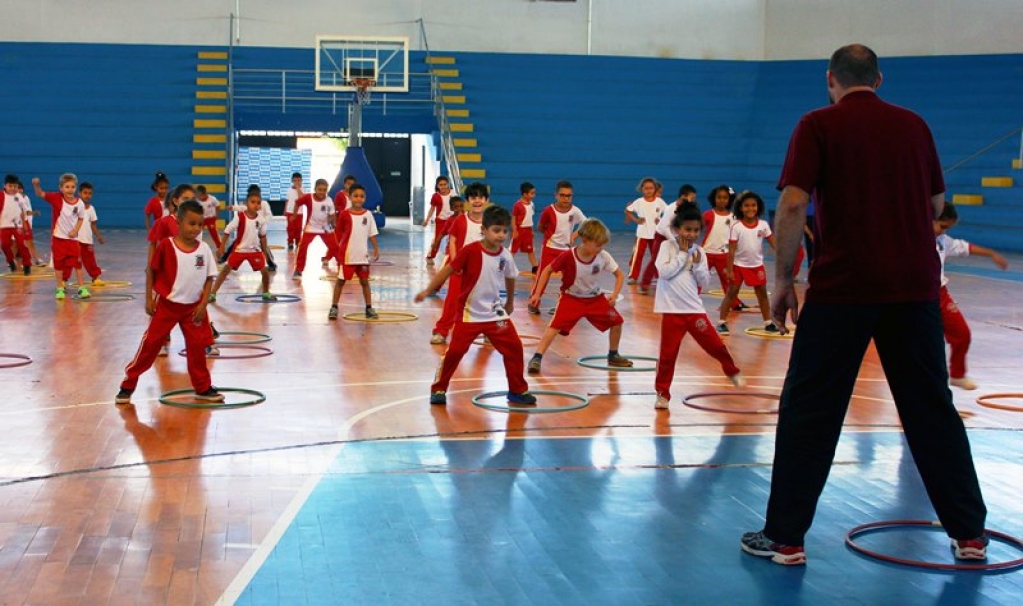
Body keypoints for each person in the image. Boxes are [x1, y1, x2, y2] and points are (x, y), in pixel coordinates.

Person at [741, 44, 989, 566]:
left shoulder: (817, 123)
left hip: (842, 291)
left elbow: (791, 202)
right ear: (880, 79)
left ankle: (785, 537)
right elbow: (938, 208)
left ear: (830, 79)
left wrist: (784, 279)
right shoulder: (915, 126)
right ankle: (969, 534)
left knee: (811, 410)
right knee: (931, 410)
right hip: (914, 291)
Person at [414, 203, 536, 407]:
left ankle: (517, 390)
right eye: (496, 231)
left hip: (495, 313)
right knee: (455, 352)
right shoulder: (470, 251)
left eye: (504, 231)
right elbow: (447, 271)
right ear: (484, 230)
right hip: (469, 314)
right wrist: (428, 290)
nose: (501, 235)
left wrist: (510, 302)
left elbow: (511, 277)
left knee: (514, 348)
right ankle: (439, 388)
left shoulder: (505, 255)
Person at [116, 200, 223, 405]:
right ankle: (128, 383)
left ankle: (202, 387)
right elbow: (151, 271)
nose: (196, 228)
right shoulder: (166, 246)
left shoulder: (204, 250)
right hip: (167, 307)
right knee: (150, 345)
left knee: (197, 349)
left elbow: (210, 278)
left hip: (193, 309)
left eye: (200, 224)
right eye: (191, 223)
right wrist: (148, 298)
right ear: (179, 222)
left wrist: (203, 305)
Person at [653, 201, 745, 410]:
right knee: (667, 356)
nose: (692, 234)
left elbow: (703, 281)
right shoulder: (667, 247)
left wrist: (695, 264)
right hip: (672, 312)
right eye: (687, 229)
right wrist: (683, 256)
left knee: (716, 346)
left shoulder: (700, 253)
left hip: (694, 311)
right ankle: (662, 394)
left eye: (696, 230)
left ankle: (732, 371)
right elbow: (664, 273)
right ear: (677, 229)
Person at [526, 218, 633, 373]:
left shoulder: (603, 256)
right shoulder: (568, 256)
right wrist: (537, 294)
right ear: (585, 240)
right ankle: (537, 357)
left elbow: (620, 275)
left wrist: (615, 295)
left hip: (595, 299)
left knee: (617, 322)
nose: (600, 248)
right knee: (553, 328)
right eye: (597, 245)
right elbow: (547, 270)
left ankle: (613, 354)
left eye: (602, 245)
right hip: (571, 299)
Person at [934, 202, 1008, 390]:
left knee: (962, 333)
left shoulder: (943, 240)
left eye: (947, 229)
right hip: (916, 297)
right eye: (942, 227)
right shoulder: (910, 238)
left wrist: (991, 253)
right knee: (927, 346)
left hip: (940, 294)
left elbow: (964, 247)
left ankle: (957, 375)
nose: (943, 232)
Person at [429, 183, 488, 344]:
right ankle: (441, 331)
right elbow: (453, 241)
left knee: (485, 302)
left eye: (480, 198)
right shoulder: (460, 220)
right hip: (460, 271)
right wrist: (456, 264)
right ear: (468, 200)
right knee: (452, 301)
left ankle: (489, 331)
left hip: (482, 272)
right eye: (473, 198)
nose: (477, 201)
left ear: (486, 200)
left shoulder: (489, 223)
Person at [717, 191, 777, 335]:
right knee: (732, 293)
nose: (750, 208)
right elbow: (731, 251)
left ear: (758, 207)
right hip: (738, 265)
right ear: (740, 208)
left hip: (756, 266)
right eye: (746, 206)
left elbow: (773, 243)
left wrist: (783, 256)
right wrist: (730, 270)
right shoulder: (736, 226)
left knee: (762, 294)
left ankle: (768, 322)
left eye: (753, 205)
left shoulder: (763, 225)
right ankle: (722, 322)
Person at [528, 180, 586, 314]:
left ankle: (563, 304)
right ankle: (534, 301)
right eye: (562, 195)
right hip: (550, 248)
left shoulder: (575, 211)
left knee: (569, 278)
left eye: (569, 196)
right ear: (556, 195)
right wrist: (551, 237)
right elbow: (541, 227)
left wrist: (574, 235)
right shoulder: (548, 210)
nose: (566, 198)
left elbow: (586, 223)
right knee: (543, 275)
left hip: (566, 250)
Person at [209, 190, 277, 303]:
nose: (256, 204)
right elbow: (227, 230)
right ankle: (212, 293)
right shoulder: (239, 217)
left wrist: (265, 253)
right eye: (253, 202)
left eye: (258, 202)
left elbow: (263, 237)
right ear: (246, 204)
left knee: (265, 271)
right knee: (225, 271)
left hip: (254, 251)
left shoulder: (261, 220)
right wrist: (221, 247)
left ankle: (266, 293)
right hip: (239, 250)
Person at [328, 184, 380, 320]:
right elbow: (338, 234)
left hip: (362, 256)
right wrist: (336, 252)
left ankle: (369, 308)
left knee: (365, 282)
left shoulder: (368, 215)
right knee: (340, 281)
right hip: (347, 256)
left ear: (365, 198)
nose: (359, 199)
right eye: (355, 196)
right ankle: (334, 307)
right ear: (350, 197)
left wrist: (376, 248)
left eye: (362, 196)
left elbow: (372, 233)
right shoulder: (345, 214)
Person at [32, 174, 87, 299]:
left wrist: (75, 230)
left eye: (72, 187)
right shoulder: (56, 198)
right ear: (61, 188)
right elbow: (40, 194)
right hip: (58, 239)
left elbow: (81, 218)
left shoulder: (79, 204)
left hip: (73, 239)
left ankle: (81, 288)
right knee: (59, 264)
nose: (70, 189)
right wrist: (36, 185)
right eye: (67, 187)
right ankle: (59, 288)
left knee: (77, 263)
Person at [640, 183, 696, 292]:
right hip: (661, 236)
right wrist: (675, 241)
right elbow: (665, 228)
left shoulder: (686, 210)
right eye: (692, 198)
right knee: (655, 259)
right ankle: (645, 283)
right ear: (683, 197)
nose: (693, 200)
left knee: (676, 259)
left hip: (673, 237)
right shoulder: (672, 208)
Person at [623, 177, 667, 289]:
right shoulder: (638, 202)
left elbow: (668, 212)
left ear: (655, 189)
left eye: (651, 188)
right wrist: (636, 220)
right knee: (637, 256)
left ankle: (659, 276)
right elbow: (628, 210)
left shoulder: (660, 202)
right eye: (646, 188)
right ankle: (633, 276)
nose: (649, 190)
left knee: (657, 256)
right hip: (642, 234)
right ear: (642, 189)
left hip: (656, 235)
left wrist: (661, 220)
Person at [292, 179, 337, 278]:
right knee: (303, 247)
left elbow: (332, 215)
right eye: (319, 189)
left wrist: (332, 224)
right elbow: (297, 203)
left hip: (325, 227)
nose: (322, 192)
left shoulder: (329, 201)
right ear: (315, 189)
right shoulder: (308, 197)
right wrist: (294, 215)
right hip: (311, 227)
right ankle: (298, 270)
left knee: (335, 248)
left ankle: (342, 266)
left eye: (324, 190)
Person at [1, 174, 32, 276]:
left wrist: (24, 223)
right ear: (5, 186)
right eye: (10, 186)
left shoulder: (19, 197)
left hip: (17, 226)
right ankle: (10, 261)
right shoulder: (1, 196)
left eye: (15, 186)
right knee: (5, 245)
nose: (13, 189)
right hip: (4, 226)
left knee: (22, 245)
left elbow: (23, 211)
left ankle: (27, 265)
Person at [77, 182, 106, 286]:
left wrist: (99, 236)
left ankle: (95, 277)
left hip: (87, 240)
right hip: (75, 240)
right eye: (85, 193)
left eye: (90, 193)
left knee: (90, 260)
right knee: (70, 261)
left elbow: (93, 225)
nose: (87, 195)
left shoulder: (91, 209)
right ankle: (63, 280)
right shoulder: (74, 207)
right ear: (79, 193)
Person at [423, 175, 453, 264]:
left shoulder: (453, 194)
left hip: (452, 221)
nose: (443, 186)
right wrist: (427, 220)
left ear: (448, 184)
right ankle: (430, 256)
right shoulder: (435, 196)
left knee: (453, 239)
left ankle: (451, 256)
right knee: (437, 239)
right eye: (441, 185)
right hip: (441, 221)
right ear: (437, 186)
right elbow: (432, 209)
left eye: (445, 184)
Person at [16, 181, 46, 267]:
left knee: (30, 242)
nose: (19, 190)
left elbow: (26, 212)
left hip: (25, 223)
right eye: (17, 188)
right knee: (16, 244)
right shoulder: (11, 199)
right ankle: (16, 261)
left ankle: (36, 260)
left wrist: (33, 213)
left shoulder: (25, 198)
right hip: (16, 224)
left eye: (20, 188)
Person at [511, 182, 538, 274]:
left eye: (534, 193)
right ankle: (506, 266)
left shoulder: (532, 204)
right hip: (519, 230)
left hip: (528, 231)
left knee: (530, 250)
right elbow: (513, 218)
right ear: (524, 194)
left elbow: (530, 218)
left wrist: (531, 230)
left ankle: (535, 267)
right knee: (513, 250)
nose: (533, 195)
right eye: (531, 193)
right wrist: (514, 230)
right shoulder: (517, 205)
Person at [284, 172, 305, 250]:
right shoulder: (289, 190)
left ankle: (298, 242)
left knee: (298, 228)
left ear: (302, 181)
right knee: (290, 228)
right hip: (290, 212)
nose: (297, 182)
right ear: (292, 181)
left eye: (299, 180)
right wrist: (285, 209)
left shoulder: (302, 189)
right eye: (295, 180)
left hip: (299, 213)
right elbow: (287, 200)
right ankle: (290, 242)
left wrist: (298, 188)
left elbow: (301, 198)